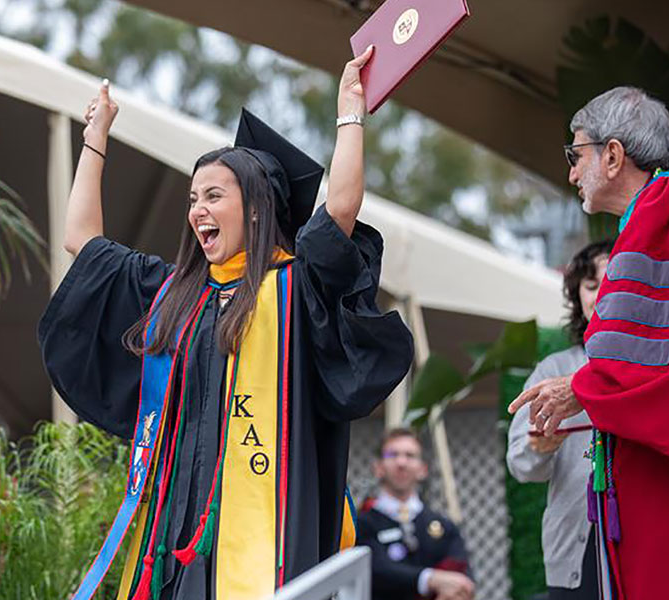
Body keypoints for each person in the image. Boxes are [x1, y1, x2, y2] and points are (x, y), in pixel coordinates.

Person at [38, 46, 414, 600]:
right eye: (193, 199)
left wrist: (350, 114)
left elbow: (338, 211)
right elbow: (81, 242)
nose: (197, 211)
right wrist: (96, 138)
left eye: (214, 196)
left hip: (266, 530)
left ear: (257, 208)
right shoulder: (174, 291)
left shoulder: (294, 289)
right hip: (176, 528)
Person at [508, 86, 669, 600]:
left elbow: (668, 366)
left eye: (576, 154)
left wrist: (579, 389)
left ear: (613, 156)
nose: (571, 173)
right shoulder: (657, 213)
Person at [507, 240, 613, 599]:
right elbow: (521, 465)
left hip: (644, 534)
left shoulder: (658, 362)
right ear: (577, 297)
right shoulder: (552, 370)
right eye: (591, 284)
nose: (602, 293)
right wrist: (539, 448)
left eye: (615, 280)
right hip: (574, 546)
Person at [356, 428, 473, 600]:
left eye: (410, 455)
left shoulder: (444, 526)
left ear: (423, 469)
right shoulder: (363, 523)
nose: (401, 462)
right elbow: (375, 569)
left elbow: (461, 574)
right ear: (378, 467)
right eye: (392, 455)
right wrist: (429, 579)